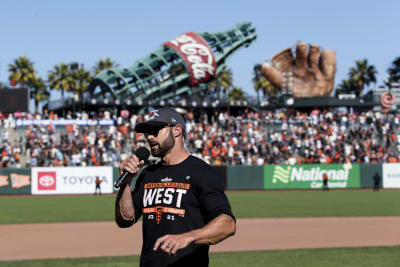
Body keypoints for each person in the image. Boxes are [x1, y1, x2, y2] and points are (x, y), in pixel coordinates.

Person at [115, 108, 236, 267]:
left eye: (156, 130)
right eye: (147, 132)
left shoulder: (202, 172)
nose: (150, 136)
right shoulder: (148, 174)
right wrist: (126, 183)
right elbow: (125, 220)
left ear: (177, 130)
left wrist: (189, 237)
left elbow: (228, 224)